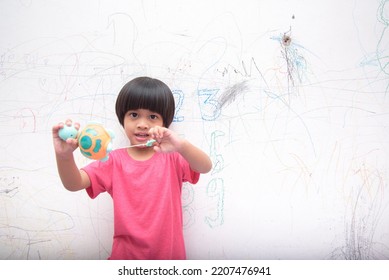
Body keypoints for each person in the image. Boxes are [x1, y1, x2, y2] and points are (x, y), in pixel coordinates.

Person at [52, 76, 212, 259]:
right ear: (123, 118)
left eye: (152, 116)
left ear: (164, 123)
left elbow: (205, 166)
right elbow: (74, 183)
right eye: (134, 115)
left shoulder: (173, 156)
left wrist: (181, 145)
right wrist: (64, 156)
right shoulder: (112, 161)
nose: (142, 124)